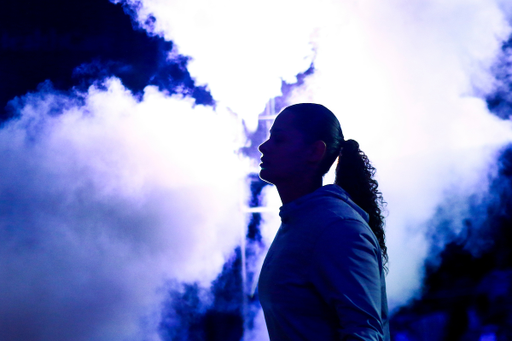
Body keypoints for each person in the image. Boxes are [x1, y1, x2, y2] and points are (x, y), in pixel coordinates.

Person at [257, 103, 390, 341]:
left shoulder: (338, 228)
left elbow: (365, 334)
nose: (264, 146)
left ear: (315, 152)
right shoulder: (303, 220)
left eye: (279, 139)